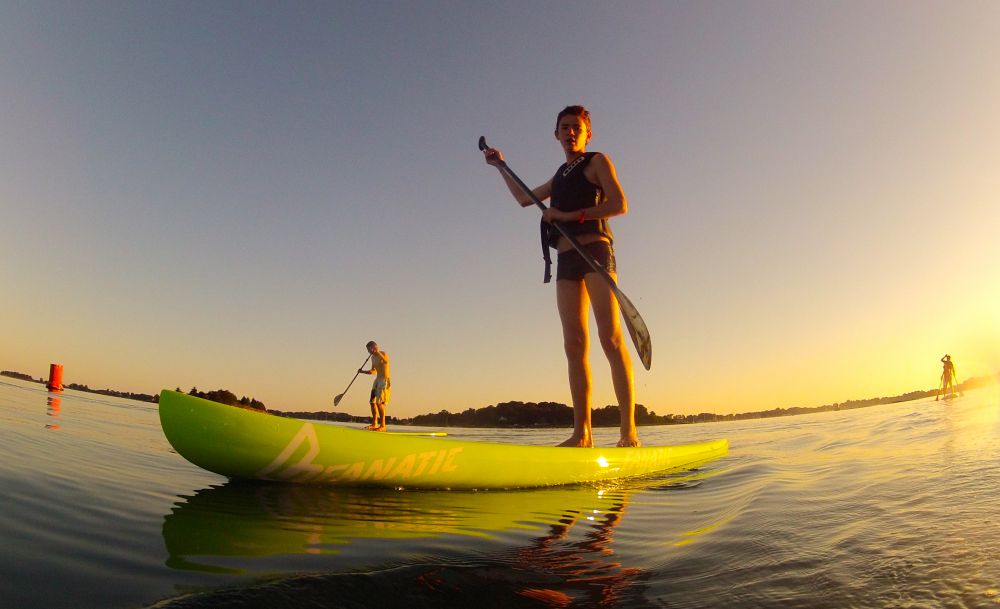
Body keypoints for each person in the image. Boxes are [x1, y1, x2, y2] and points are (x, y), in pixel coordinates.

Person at [483, 105, 639, 448]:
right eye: (564, 127)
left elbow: (619, 204)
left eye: (576, 127)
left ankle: (628, 433)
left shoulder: (597, 161)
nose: (570, 132)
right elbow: (525, 198)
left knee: (610, 339)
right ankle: (581, 434)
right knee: (574, 345)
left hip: (596, 252)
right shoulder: (559, 176)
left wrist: (570, 215)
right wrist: (500, 167)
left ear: (587, 134)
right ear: (555, 134)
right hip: (566, 261)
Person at [359, 341, 390, 430]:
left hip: (384, 381)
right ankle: (374, 423)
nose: (368, 352)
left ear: (374, 347)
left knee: (379, 403)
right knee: (372, 402)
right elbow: (373, 371)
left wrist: (378, 352)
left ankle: (383, 425)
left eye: (369, 350)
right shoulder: (373, 358)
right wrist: (362, 371)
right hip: (377, 380)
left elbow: (386, 361)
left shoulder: (383, 354)